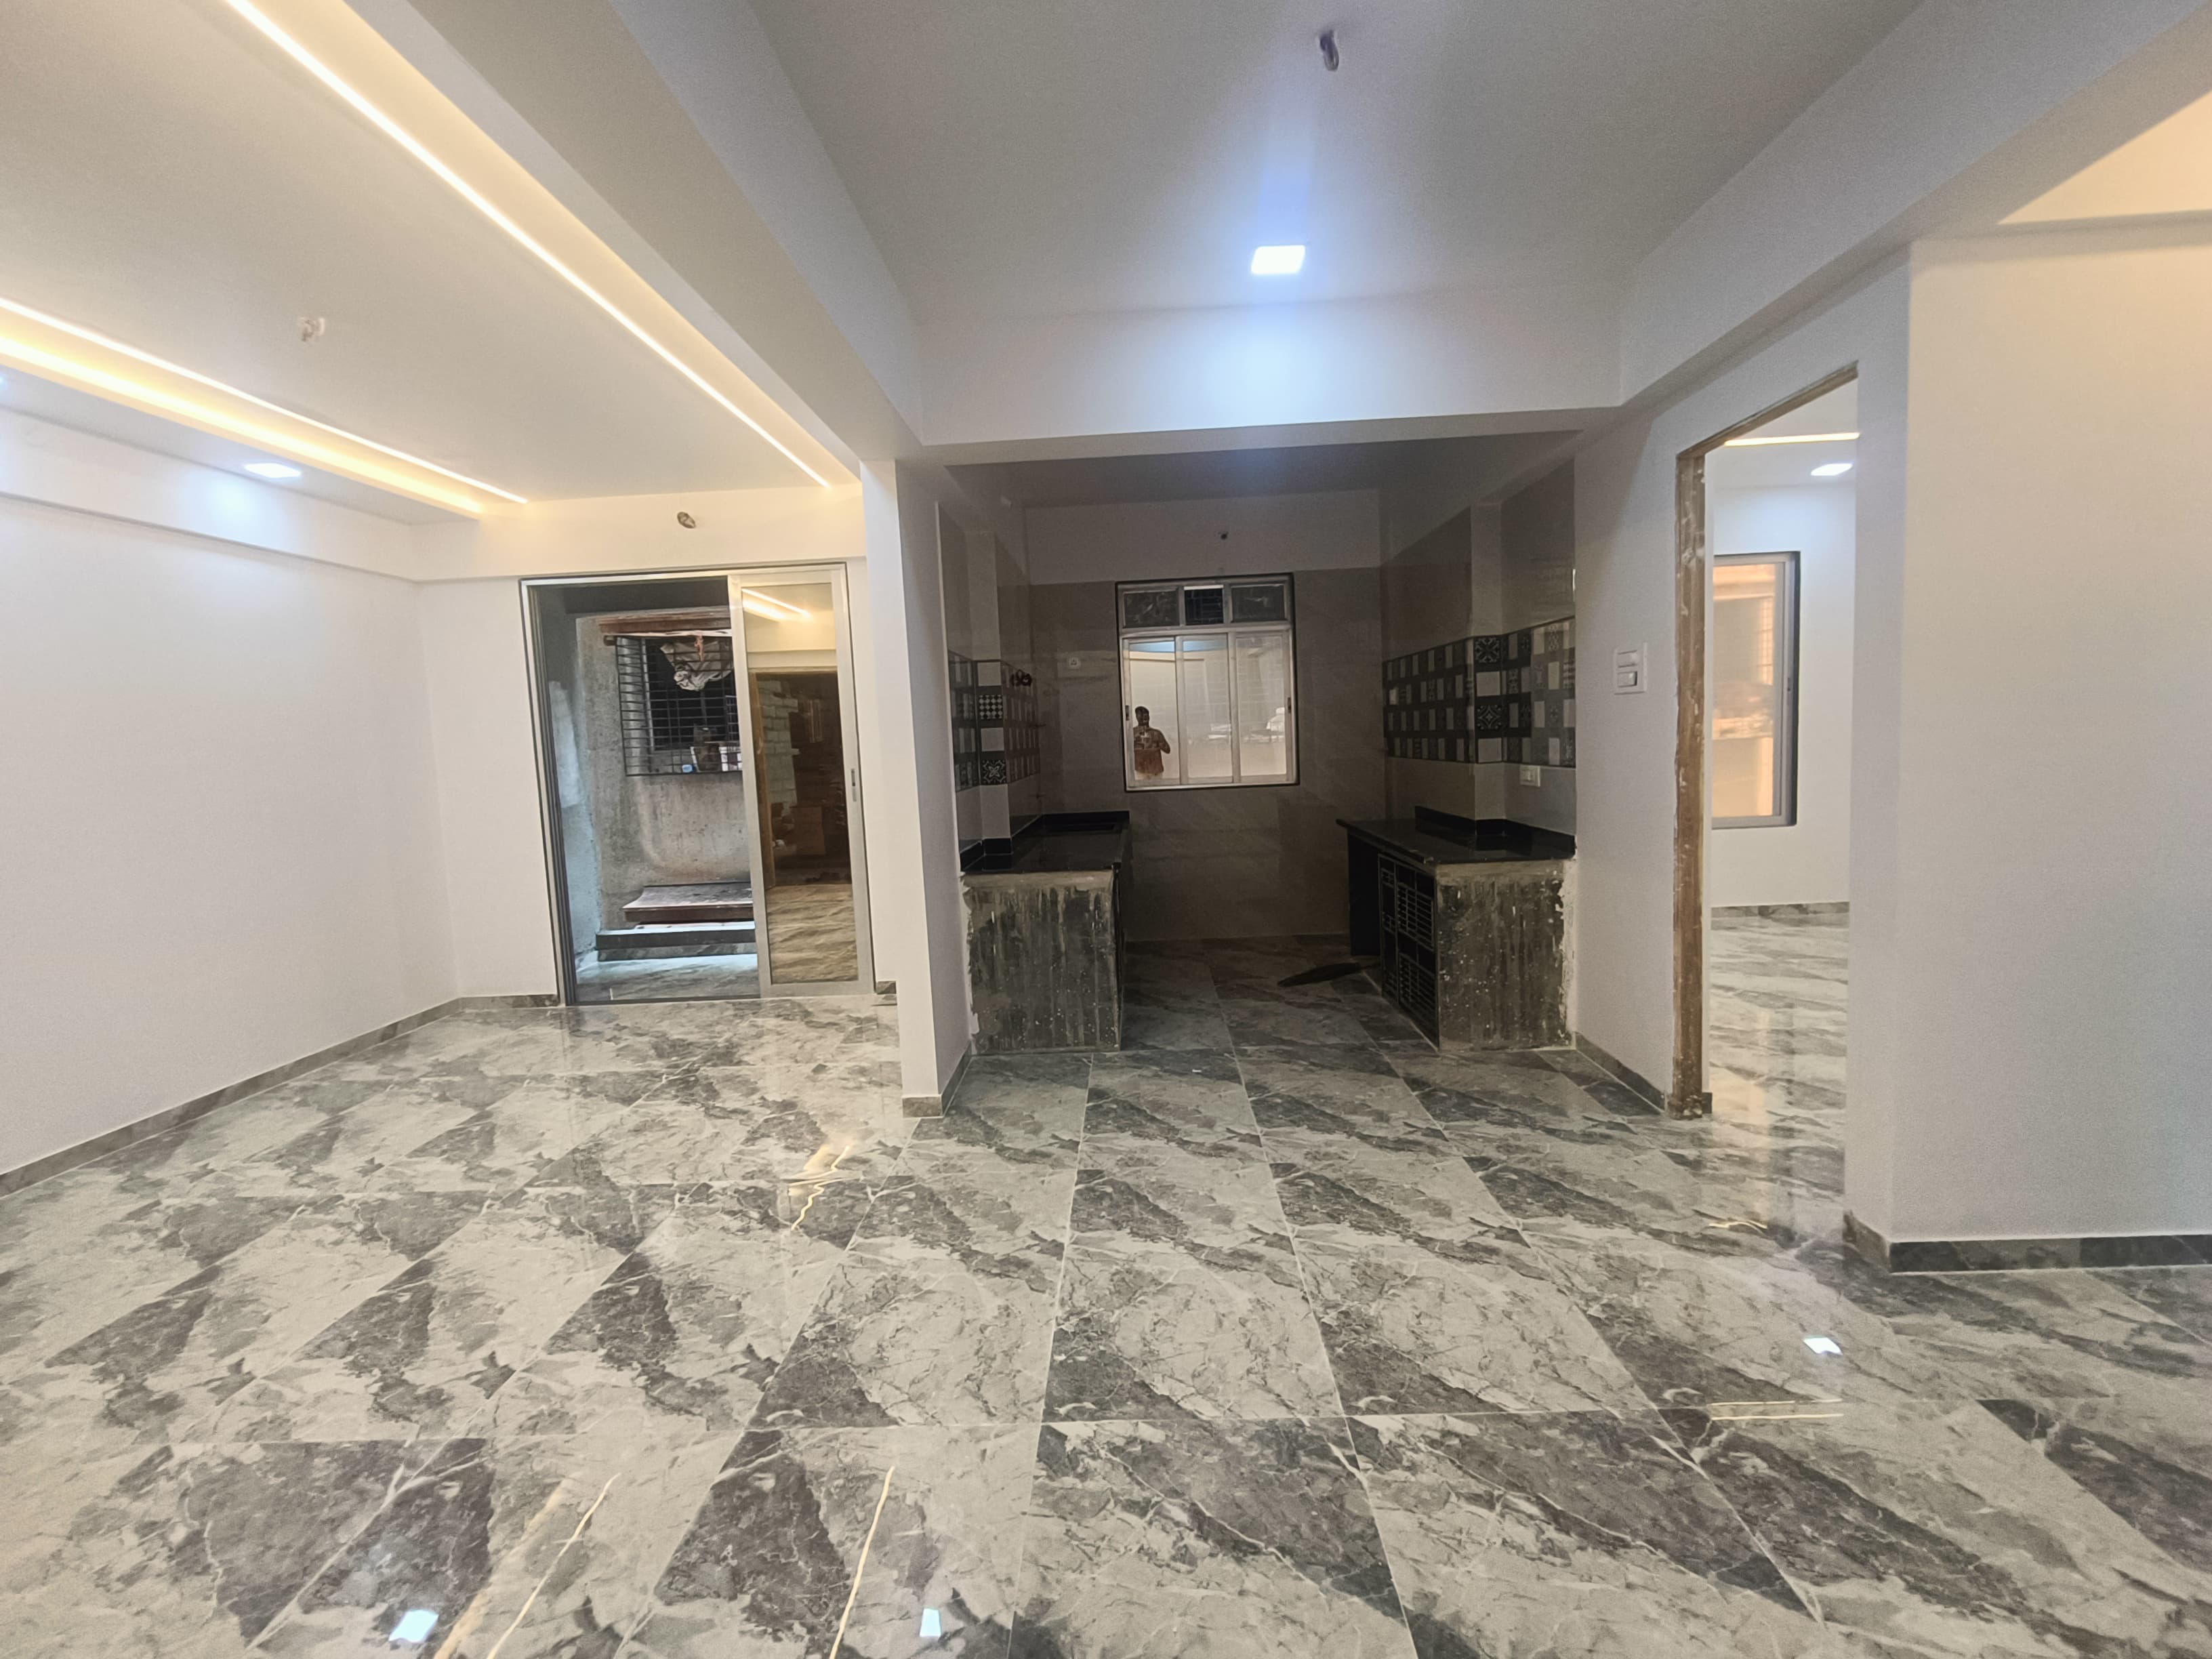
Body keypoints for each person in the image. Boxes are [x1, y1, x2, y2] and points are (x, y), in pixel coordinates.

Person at [1130, 705, 1172, 780]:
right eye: (1141, 716)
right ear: (1137, 718)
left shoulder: (1156, 734)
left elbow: (1167, 750)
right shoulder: (1132, 733)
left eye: (1145, 716)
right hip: (1141, 771)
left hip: (1155, 771)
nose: (1144, 718)